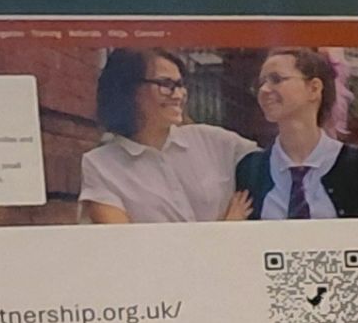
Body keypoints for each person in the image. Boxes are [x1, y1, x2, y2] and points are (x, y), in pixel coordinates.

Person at [80, 49, 254, 222]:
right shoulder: (100, 165)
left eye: (180, 85)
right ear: (129, 89)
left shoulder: (213, 140)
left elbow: (276, 166)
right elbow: (124, 243)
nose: (179, 95)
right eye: (166, 85)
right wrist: (227, 228)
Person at [232, 48, 358, 219]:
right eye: (260, 83)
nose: (264, 90)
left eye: (276, 79)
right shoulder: (250, 169)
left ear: (314, 88)